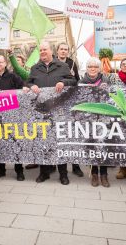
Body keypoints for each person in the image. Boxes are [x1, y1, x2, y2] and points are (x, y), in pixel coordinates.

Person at [28, 42, 77, 185]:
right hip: (41, 111)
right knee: (43, 142)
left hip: (58, 110)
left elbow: (73, 81)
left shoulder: (62, 66)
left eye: (45, 49)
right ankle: (44, 173)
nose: (43, 52)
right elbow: (27, 82)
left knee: (59, 142)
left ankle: (63, 174)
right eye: (41, 50)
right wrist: (32, 86)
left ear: (51, 51)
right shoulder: (35, 68)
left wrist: (63, 82)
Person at [79, 57, 124, 187]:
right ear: (86, 69)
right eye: (90, 67)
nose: (93, 69)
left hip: (105, 117)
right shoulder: (81, 81)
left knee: (104, 145)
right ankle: (94, 174)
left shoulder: (107, 79)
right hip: (89, 119)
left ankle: (104, 175)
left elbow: (120, 89)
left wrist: (109, 88)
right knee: (92, 145)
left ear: (99, 68)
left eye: (95, 67)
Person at [55, 42, 83, 177]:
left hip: (70, 102)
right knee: (59, 135)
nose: (64, 51)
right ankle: (60, 166)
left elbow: (77, 81)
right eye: (61, 49)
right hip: (56, 102)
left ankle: (76, 166)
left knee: (72, 134)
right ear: (57, 51)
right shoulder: (53, 62)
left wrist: (70, 78)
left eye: (66, 49)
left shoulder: (72, 63)